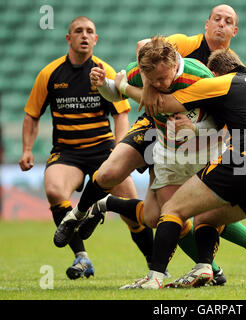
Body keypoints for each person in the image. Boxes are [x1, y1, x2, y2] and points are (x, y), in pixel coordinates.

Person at [54, 5, 246, 285]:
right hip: (156, 129)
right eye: (216, 19)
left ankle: (218, 262)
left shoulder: (209, 77)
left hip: (200, 143)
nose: (221, 25)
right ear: (206, 24)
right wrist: (117, 85)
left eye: (227, 21)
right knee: (113, 174)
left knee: (164, 214)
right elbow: (143, 48)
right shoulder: (183, 44)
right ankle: (79, 213)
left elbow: (221, 122)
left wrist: (192, 126)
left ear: (235, 30)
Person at [104, 48, 246, 289]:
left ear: (214, 72)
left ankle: (155, 278)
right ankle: (206, 266)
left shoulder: (221, 82)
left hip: (244, 161)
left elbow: (164, 103)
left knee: (172, 209)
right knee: (206, 218)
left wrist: (125, 87)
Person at [19, 16, 141, 280]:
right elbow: (32, 115)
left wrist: (119, 148)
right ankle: (81, 257)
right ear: (68, 38)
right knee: (53, 189)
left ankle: (155, 263)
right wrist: (27, 149)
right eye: (78, 31)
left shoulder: (104, 71)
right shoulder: (49, 74)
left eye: (90, 32)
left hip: (103, 150)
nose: (84, 35)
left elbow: (121, 114)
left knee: (132, 207)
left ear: (95, 39)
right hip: (68, 152)